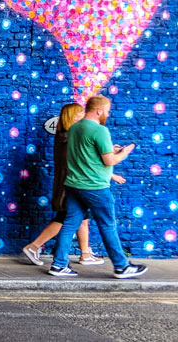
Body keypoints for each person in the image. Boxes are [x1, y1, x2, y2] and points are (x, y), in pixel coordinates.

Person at [48, 95, 147, 279]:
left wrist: (110, 148)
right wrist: (123, 153)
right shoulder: (100, 130)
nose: (108, 114)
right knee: (107, 224)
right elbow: (109, 160)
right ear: (99, 110)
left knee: (70, 224)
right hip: (94, 187)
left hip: (73, 184)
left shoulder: (74, 128)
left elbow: (87, 154)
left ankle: (59, 265)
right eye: (107, 111)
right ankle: (121, 266)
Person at [23, 103, 104, 266]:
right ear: (74, 116)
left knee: (83, 219)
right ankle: (34, 247)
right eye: (81, 114)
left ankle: (85, 253)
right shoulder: (70, 137)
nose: (85, 117)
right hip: (72, 185)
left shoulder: (65, 135)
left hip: (70, 183)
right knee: (65, 218)